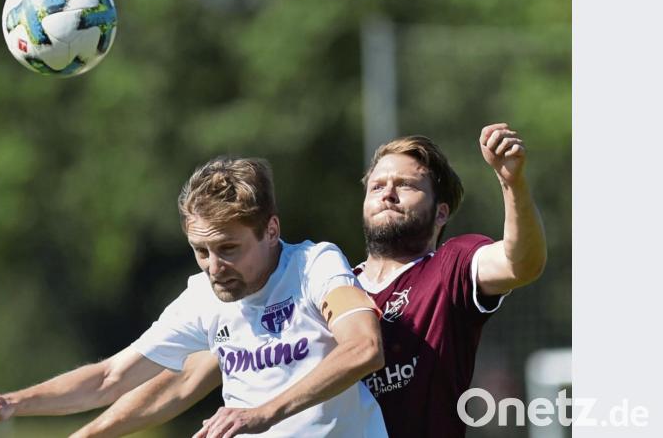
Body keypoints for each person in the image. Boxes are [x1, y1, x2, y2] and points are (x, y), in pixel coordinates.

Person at [68, 123, 547, 438]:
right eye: (378, 185)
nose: (388, 193)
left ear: (440, 212)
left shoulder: (450, 266)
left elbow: (519, 263)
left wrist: (512, 184)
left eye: (407, 185)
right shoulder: (333, 286)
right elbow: (188, 377)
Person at [0, 157, 388, 438]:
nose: (213, 266)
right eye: (201, 251)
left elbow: (364, 348)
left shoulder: (314, 265)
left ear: (271, 231)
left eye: (229, 248)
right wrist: (14, 402)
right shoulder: (204, 296)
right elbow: (110, 378)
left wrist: (263, 413)